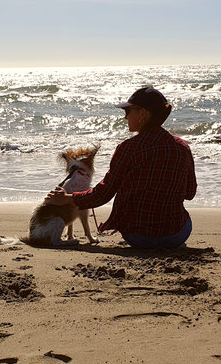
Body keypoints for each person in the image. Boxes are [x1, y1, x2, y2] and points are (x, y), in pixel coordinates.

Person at [45, 86, 196, 249]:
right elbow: (190, 193)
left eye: (128, 112)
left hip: (137, 236)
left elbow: (103, 194)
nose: (125, 118)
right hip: (175, 235)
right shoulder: (182, 147)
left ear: (143, 114)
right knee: (183, 219)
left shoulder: (127, 148)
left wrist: (67, 198)